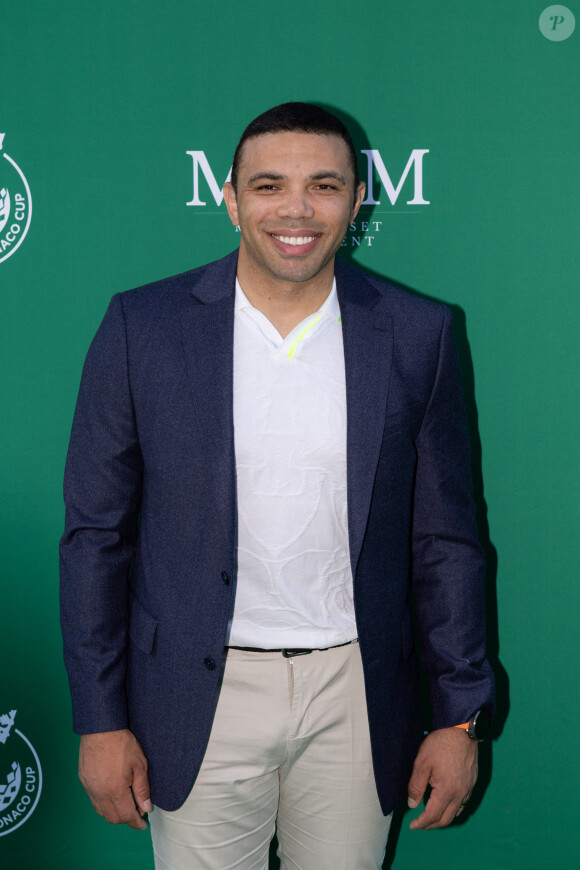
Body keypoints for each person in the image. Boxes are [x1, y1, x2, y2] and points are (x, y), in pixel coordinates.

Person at [60, 102, 495, 869]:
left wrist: (460, 718)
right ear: (229, 198)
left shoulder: (418, 334)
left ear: (358, 200)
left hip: (353, 695)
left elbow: (447, 544)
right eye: (268, 185)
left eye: (323, 186)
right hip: (198, 693)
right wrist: (100, 721)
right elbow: (96, 537)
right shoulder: (143, 328)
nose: (296, 209)